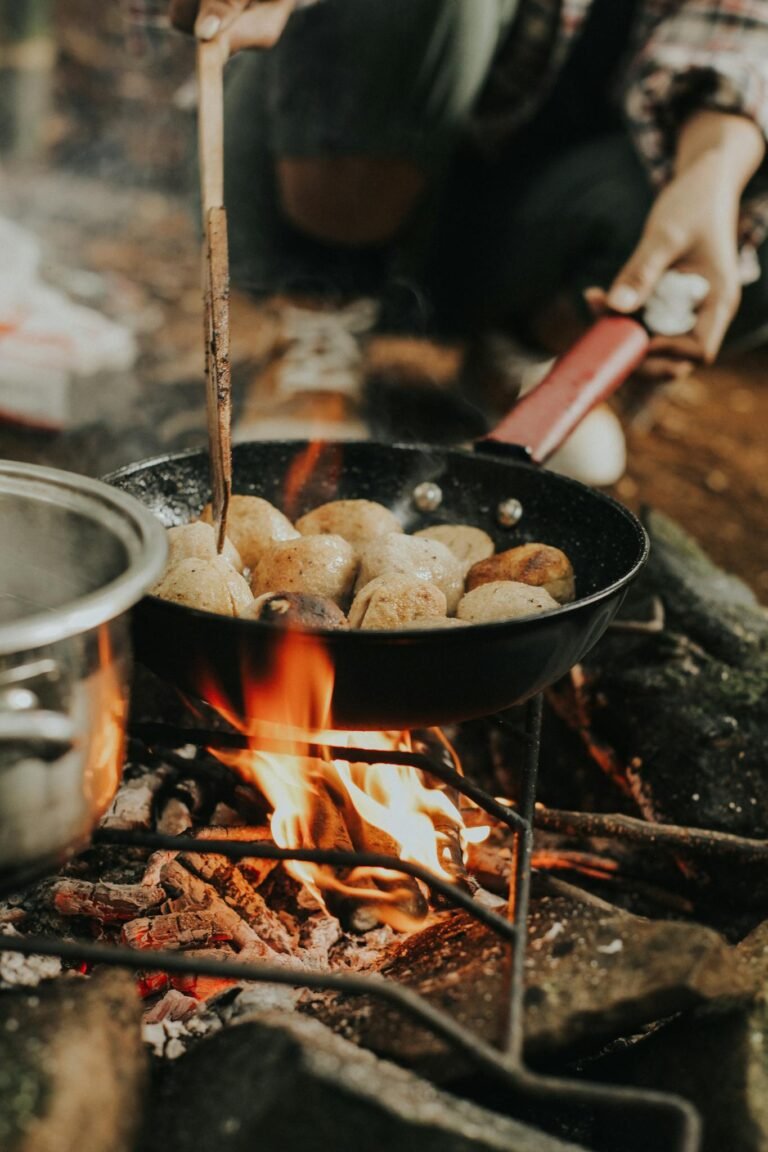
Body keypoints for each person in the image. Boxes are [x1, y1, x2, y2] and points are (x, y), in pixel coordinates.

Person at [168, 0, 768, 480]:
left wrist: (711, 177)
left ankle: (520, 361)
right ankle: (320, 317)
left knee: (745, 185)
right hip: (317, 169)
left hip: (524, 217)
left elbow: (742, 34)